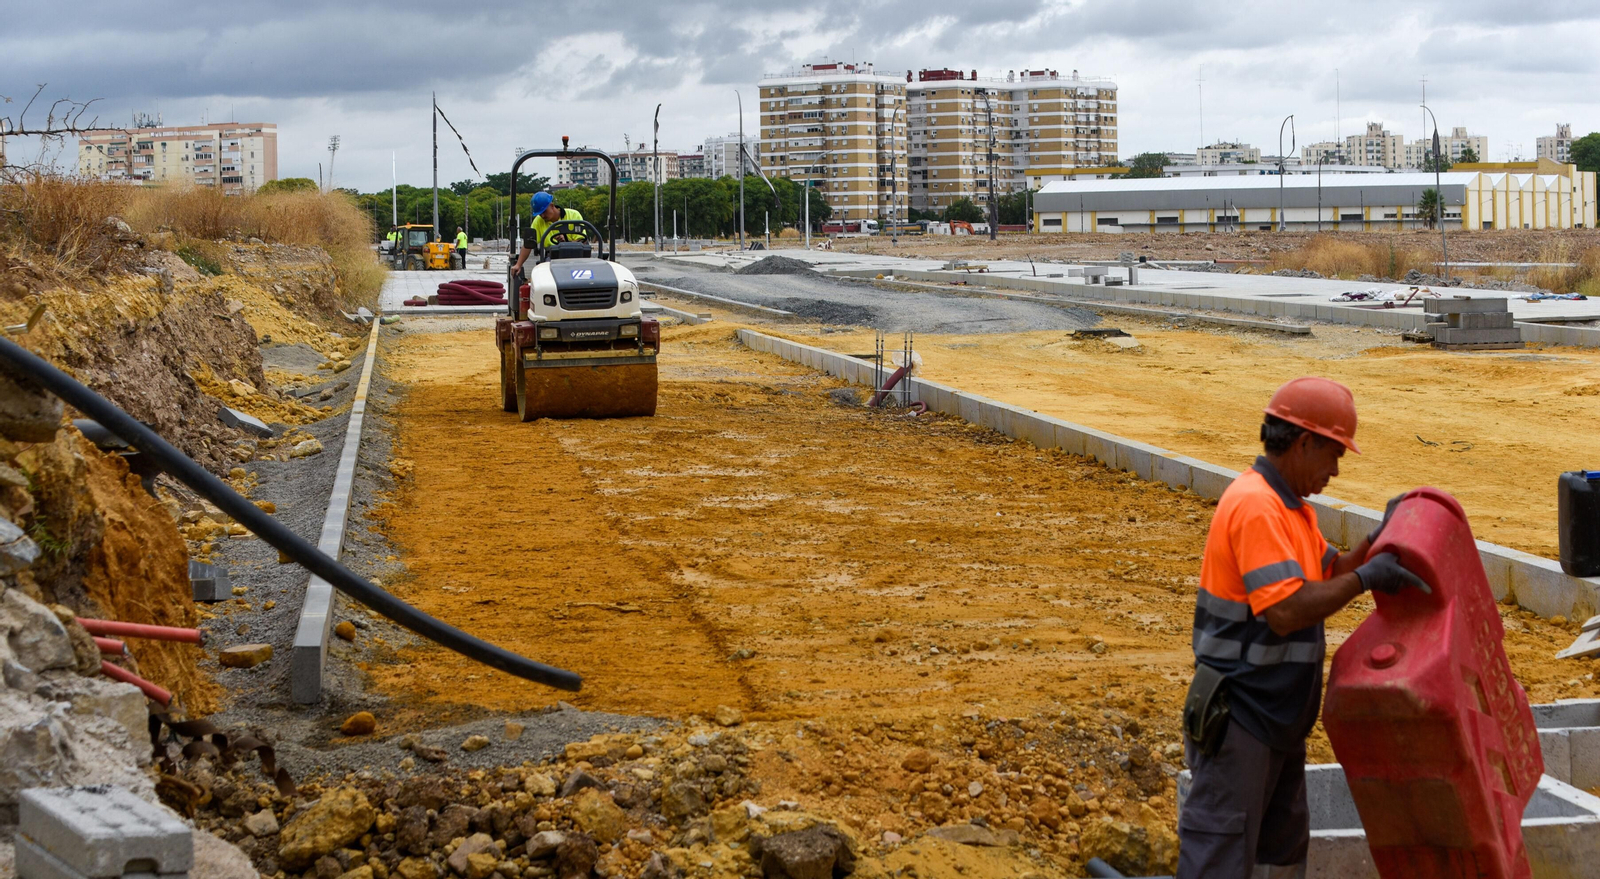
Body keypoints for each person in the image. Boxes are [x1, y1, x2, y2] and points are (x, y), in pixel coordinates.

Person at [1177, 377, 1426, 879]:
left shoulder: (1292, 510)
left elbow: (1329, 572)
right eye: (1333, 455)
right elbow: (1287, 610)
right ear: (1304, 442)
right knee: (1219, 857)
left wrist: (1379, 543)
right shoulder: (1256, 506)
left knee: (1280, 854)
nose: (1335, 470)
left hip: (1278, 716)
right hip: (1241, 713)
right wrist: (1365, 578)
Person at [510, 191, 585, 277]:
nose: (542, 216)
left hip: (577, 256)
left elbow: (582, 241)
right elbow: (528, 244)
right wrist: (518, 265)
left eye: (544, 211)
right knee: (545, 275)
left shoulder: (574, 215)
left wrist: (566, 244)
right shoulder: (538, 221)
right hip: (552, 258)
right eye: (539, 213)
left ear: (552, 206)